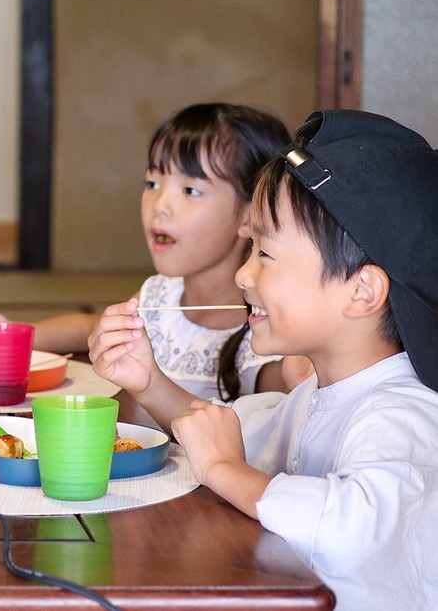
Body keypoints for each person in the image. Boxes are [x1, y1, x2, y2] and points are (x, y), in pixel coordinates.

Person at [89, 110, 438, 610]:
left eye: (265, 254)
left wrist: (227, 469)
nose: (243, 275)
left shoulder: (404, 413)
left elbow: (349, 528)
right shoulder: (315, 397)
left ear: (362, 291)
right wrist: (150, 384)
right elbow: (233, 433)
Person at [0, 103, 307, 406]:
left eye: (190, 190)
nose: (160, 206)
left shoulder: (269, 329)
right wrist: (9, 334)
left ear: (250, 215)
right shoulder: (160, 294)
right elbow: (91, 327)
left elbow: (272, 418)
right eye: (152, 183)